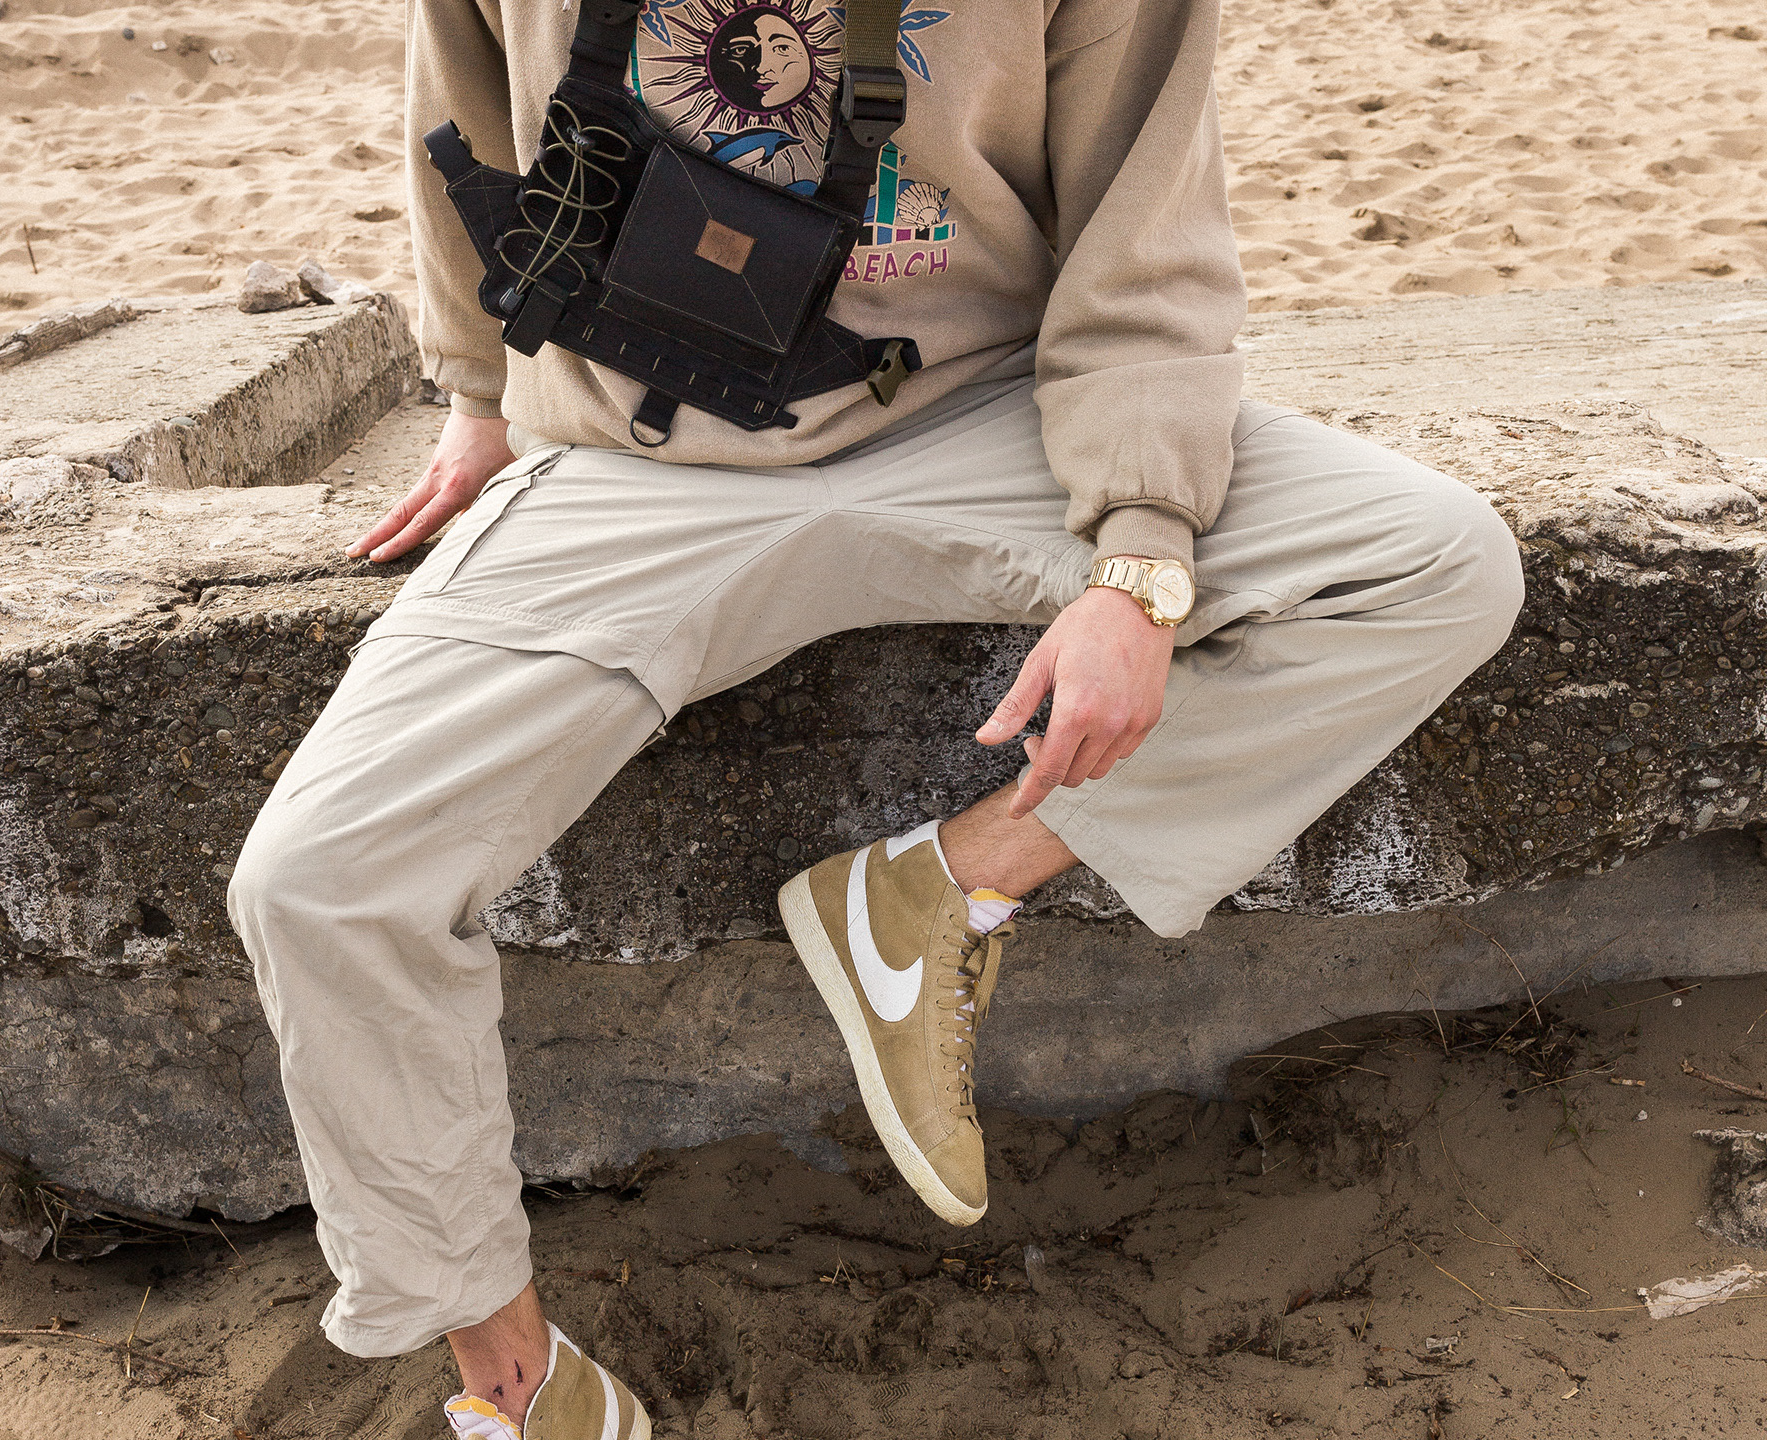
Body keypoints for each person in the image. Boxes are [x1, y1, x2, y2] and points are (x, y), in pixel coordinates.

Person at [227, 0, 1525, 1433]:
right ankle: (523, 1384)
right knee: (321, 882)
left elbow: (1144, 225)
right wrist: (478, 391)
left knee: (1435, 564)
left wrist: (1142, 554)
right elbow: (465, 116)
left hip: (987, 417)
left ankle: (939, 890)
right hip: (631, 458)